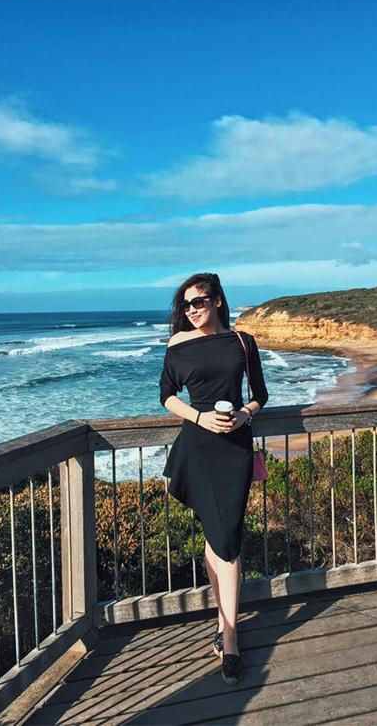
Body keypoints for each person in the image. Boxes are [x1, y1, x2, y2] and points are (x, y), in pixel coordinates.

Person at [158, 272, 269, 685]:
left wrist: (244, 414)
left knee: (227, 539)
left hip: (235, 448)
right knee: (218, 535)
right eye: (186, 304)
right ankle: (227, 633)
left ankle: (228, 633)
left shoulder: (242, 341)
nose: (192, 309)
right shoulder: (177, 344)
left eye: (199, 301)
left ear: (218, 301)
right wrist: (200, 417)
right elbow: (167, 395)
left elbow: (260, 394)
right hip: (198, 448)